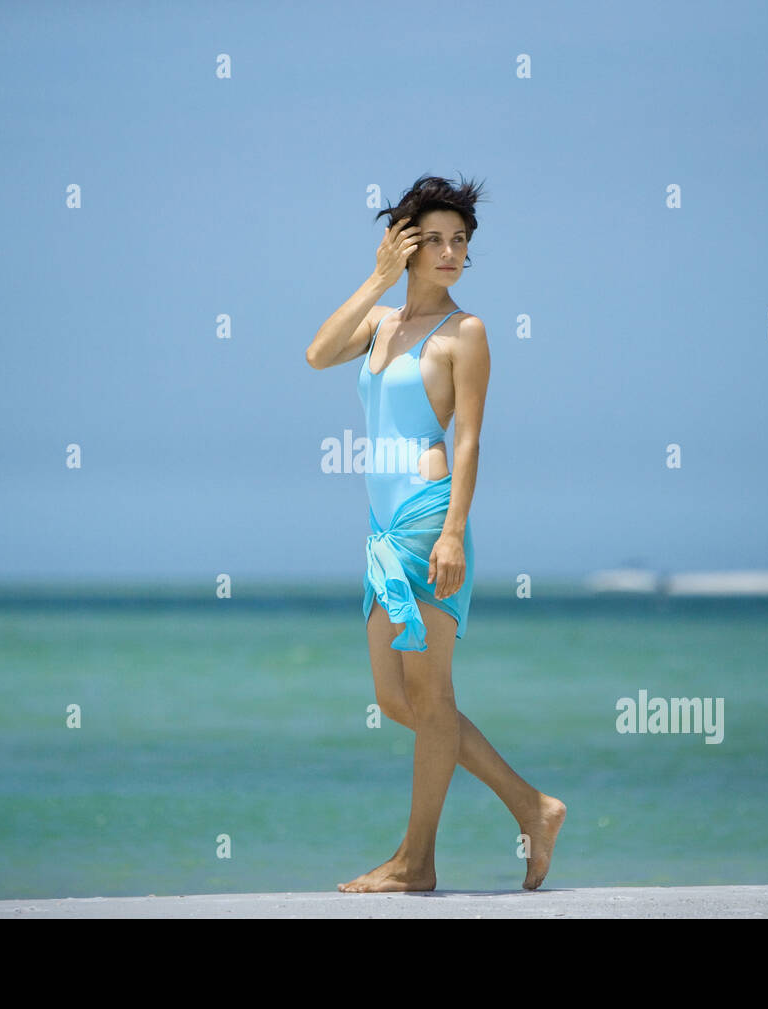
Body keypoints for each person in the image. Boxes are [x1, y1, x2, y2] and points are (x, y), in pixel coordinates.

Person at [305, 174, 565, 892]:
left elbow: (473, 441)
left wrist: (454, 532)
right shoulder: (382, 323)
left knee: (432, 694)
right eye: (437, 240)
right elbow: (318, 352)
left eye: (462, 242)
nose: (452, 253)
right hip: (380, 528)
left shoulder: (466, 332)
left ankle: (416, 861)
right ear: (407, 245)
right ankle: (531, 805)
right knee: (401, 701)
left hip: (426, 520)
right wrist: (375, 277)